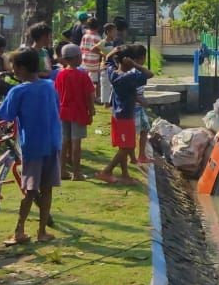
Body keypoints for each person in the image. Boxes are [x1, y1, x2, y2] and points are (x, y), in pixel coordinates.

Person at [0, 48, 62, 245]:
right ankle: (41, 232)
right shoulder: (49, 85)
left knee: (30, 190)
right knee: (46, 189)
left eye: (13, 66)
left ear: (21, 68)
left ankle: (19, 230)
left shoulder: (18, 90)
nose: (11, 70)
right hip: (53, 142)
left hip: (33, 146)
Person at [94, 46, 152, 185]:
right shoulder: (129, 77)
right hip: (125, 116)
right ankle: (107, 171)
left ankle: (125, 175)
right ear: (128, 61)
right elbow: (149, 74)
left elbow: (107, 61)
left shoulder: (113, 73)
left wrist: (113, 52)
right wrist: (135, 65)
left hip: (117, 115)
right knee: (127, 147)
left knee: (124, 146)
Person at [53, 43, 95, 181]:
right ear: (77, 57)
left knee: (64, 141)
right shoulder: (82, 75)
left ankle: (62, 170)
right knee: (76, 142)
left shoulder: (60, 74)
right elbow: (89, 94)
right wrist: (91, 110)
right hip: (78, 111)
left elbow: (57, 92)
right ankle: (77, 172)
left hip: (63, 110)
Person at [96, 23, 118, 106]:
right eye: (114, 31)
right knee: (105, 84)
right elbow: (93, 49)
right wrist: (103, 55)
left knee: (112, 84)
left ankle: (111, 101)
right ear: (108, 32)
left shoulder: (115, 42)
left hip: (114, 66)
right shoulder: (103, 42)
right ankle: (106, 102)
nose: (115, 33)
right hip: (105, 66)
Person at [80, 18, 103, 89]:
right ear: (98, 27)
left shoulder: (85, 36)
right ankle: (94, 96)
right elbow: (100, 51)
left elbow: (81, 48)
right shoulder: (98, 38)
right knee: (94, 82)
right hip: (93, 62)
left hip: (84, 60)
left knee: (85, 79)